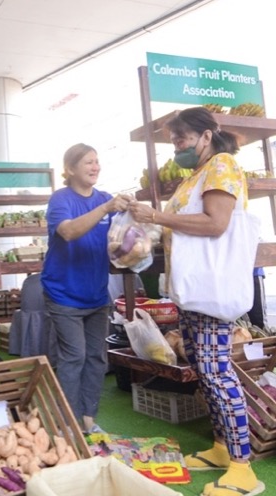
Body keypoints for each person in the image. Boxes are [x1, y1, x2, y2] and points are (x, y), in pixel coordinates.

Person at [128, 107, 264, 496]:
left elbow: (216, 223)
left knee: (217, 373)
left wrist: (157, 216)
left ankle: (243, 469)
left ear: (206, 136)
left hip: (212, 290)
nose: (176, 147)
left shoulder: (222, 165)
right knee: (204, 371)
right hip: (193, 290)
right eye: (173, 140)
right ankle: (221, 447)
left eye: (181, 138)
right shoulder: (197, 175)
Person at [41, 143, 132, 435]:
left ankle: (88, 420)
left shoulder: (105, 198)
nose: (95, 167)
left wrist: (136, 221)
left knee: (96, 357)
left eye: (97, 161)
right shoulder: (61, 199)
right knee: (74, 357)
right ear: (70, 169)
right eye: (88, 162)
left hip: (96, 293)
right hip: (63, 294)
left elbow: (121, 236)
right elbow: (68, 232)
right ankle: (67, 424)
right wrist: (105, 208)